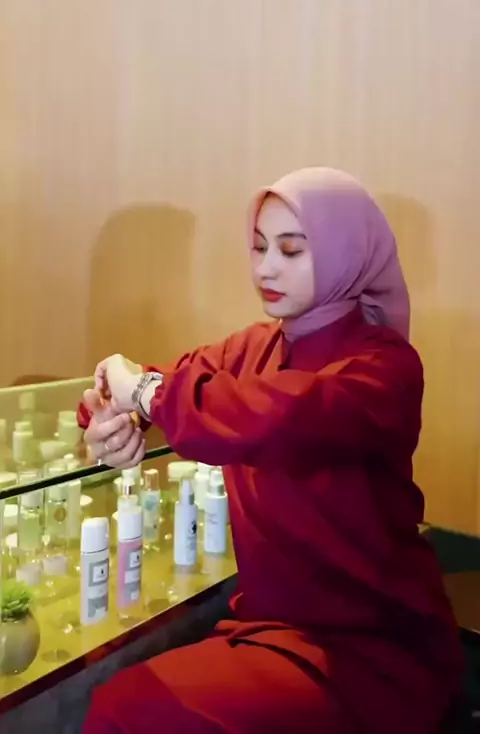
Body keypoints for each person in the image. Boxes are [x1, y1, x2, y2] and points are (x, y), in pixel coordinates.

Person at [78, 167, 462, 734]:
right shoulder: (253, 348)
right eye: (258, 247)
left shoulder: (384, 367)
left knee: (125, 710)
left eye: (291, 250)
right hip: (268, 624)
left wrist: (147, 395)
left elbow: (275, 417)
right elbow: (170, 382)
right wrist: (109, 413)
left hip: (369, 646)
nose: (265, 268)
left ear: (346, 253)